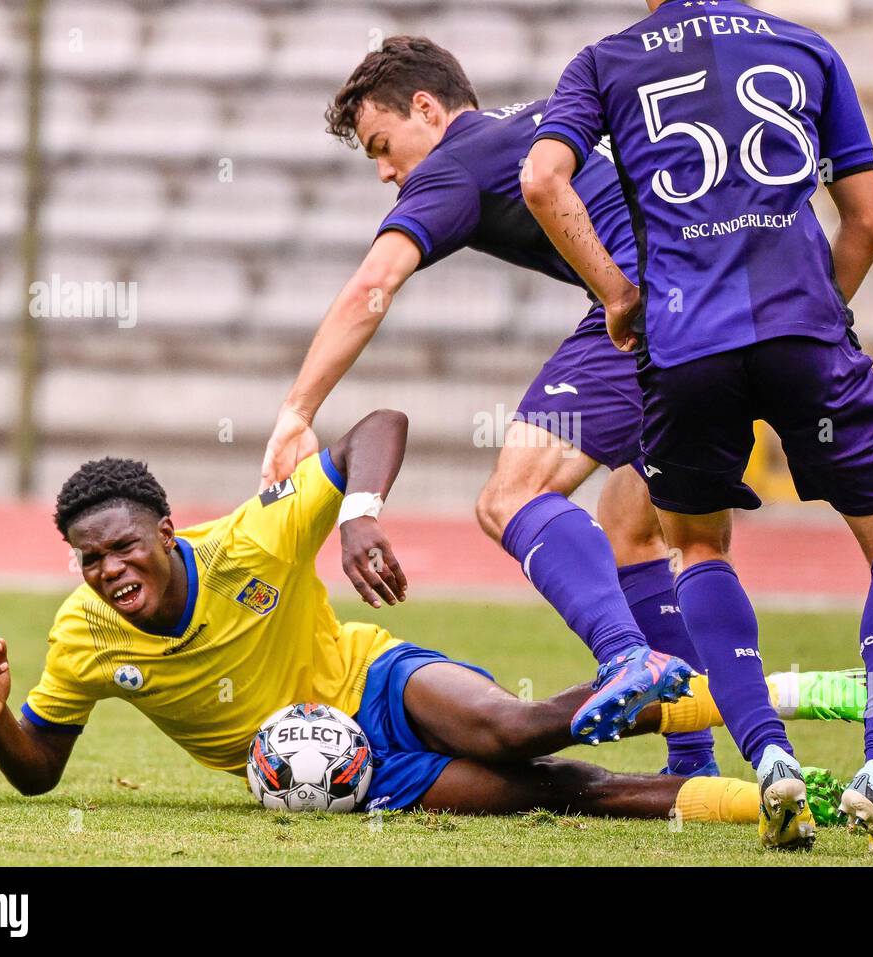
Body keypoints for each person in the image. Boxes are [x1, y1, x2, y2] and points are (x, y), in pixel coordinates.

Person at [0, 409, 863, 834]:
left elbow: (376, 424)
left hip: (373, 677)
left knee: (513, 727)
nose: (109, 570)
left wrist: (357, 513)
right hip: (338, 774)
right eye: (91, 560)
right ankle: (792, 801)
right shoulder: (84, 633)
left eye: (122, 547)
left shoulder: (253, 538)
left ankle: (792, 692)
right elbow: (42, 771)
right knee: (558, 788)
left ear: (165, 530)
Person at [521, 2, 873, 855]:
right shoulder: (805, 46)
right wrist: (817, 321)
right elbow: (870, 221)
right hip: (807, 335)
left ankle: (772, 760)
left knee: (700, 551)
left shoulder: (606, 61)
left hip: (685, 347)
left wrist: (615, 294)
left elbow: (540, 180)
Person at [260, 36, 712, 763]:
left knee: (509, 497)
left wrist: (297, 409)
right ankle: (700, 765)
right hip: (721, 305)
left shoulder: (455, 163)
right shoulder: (530, 126)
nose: (384, 172)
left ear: (428, 109)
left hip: (645, 309)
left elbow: (372, 287)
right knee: (632, 528)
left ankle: (628, 656)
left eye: (382, 144)